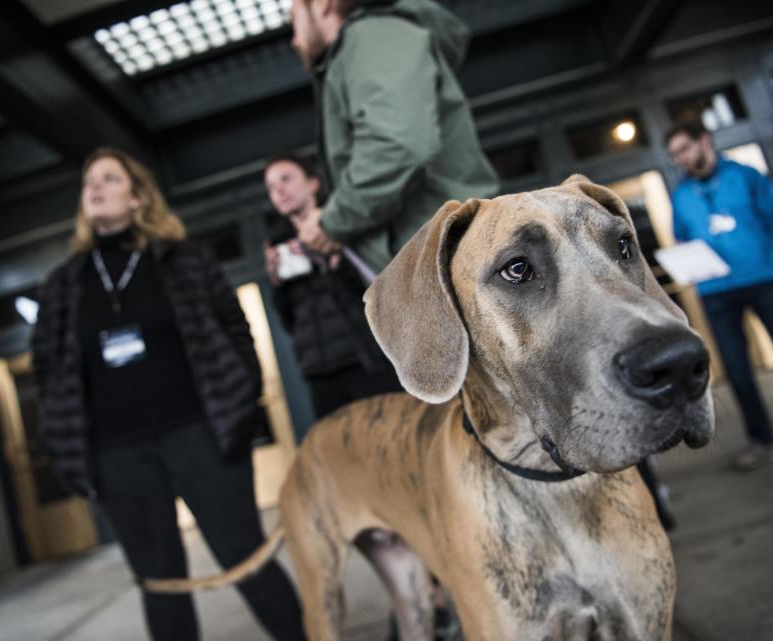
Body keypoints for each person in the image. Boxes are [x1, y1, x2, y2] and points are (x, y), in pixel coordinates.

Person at [30, 148, 306, 641]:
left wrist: (241, 401)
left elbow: (235, 330)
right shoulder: (63, 285)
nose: (94, 188)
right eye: (89, 181)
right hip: (118, 455)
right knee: (161, 582)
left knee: (246, 558)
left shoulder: (185, 260)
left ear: (137, 196)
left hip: (201, 435)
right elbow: (49, 373)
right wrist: (70, 452)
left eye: (110, 179)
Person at [289, 0, 499, 273]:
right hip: (441, 255)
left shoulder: (370, 35)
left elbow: (399, 146)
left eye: (292, 17)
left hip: (445, 259)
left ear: (322, 5)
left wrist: (331, 223)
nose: (294, 39)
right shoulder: (371, 42)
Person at [666, 121, 773, 470]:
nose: (681, 159)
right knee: (737, 369)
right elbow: (681, 236)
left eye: (684, 150)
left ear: (704, 141)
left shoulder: (746, 175)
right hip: (716, 291)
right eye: (675, 155)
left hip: (763, 278)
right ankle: (761, 439)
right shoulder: (681, 195)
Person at [263, 152, 402, 427]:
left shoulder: (343, 224)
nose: (278, 190)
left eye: (286, 179)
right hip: (320, 371)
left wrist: (332, 258)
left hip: (366, 359)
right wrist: (276, 282)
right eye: (270, 187)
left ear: (313, 183)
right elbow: (289, 321)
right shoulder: (277, 244)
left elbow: (374, 289)